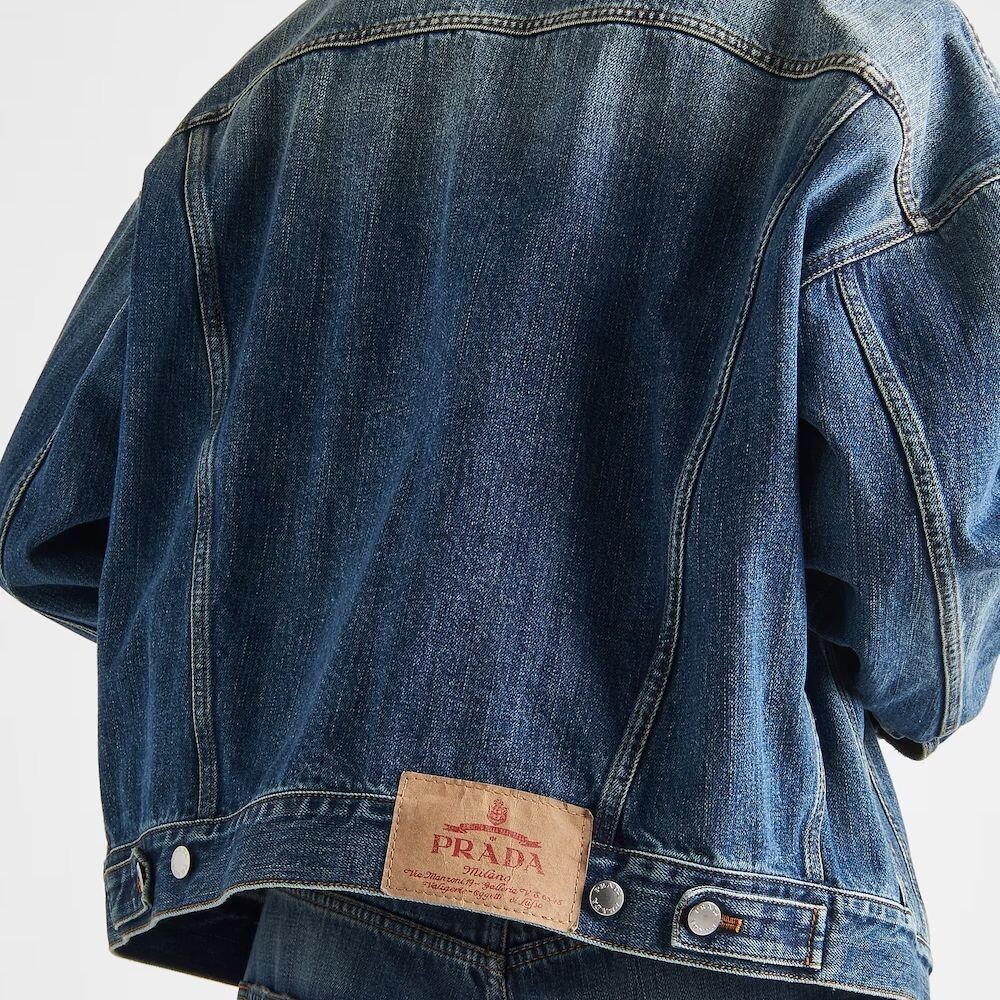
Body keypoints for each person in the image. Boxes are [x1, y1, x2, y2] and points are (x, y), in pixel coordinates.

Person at [1, 1, 998, 998]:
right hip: (717, 912)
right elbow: (932, 598)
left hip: (340, 921)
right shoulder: (865, 52)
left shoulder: (276, 81)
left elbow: (51, 519)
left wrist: (307, 704)